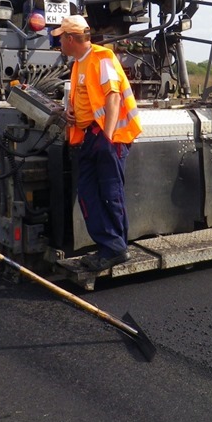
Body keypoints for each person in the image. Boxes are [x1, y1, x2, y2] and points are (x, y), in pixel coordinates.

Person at [53, 15, 143, 272]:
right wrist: (70, 113)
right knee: (89, 193)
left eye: (61, 37)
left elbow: (112, 98)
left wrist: (108, 136)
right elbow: (85, 98)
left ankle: (115, 249)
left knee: (109, 193)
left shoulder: (101, 58)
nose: (58, 41)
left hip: (105, 138)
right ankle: (110, 246)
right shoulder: (78, 64)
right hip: (91, 136)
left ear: (71, 39)